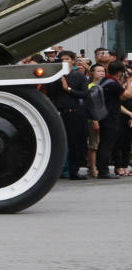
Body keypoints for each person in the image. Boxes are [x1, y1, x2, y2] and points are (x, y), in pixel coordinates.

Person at [46, 51, 89, 180]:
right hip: (60, 113)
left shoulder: (79, 76)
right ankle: (58, 171)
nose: (65, 61)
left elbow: (85, 94)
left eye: (67, 59)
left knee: (75, 143)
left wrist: (68, 89)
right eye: (62, 59)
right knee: (60, 143)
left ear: (72, 61)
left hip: (75, 113)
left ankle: (74, 171)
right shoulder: (56, 77)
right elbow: (51, 95)